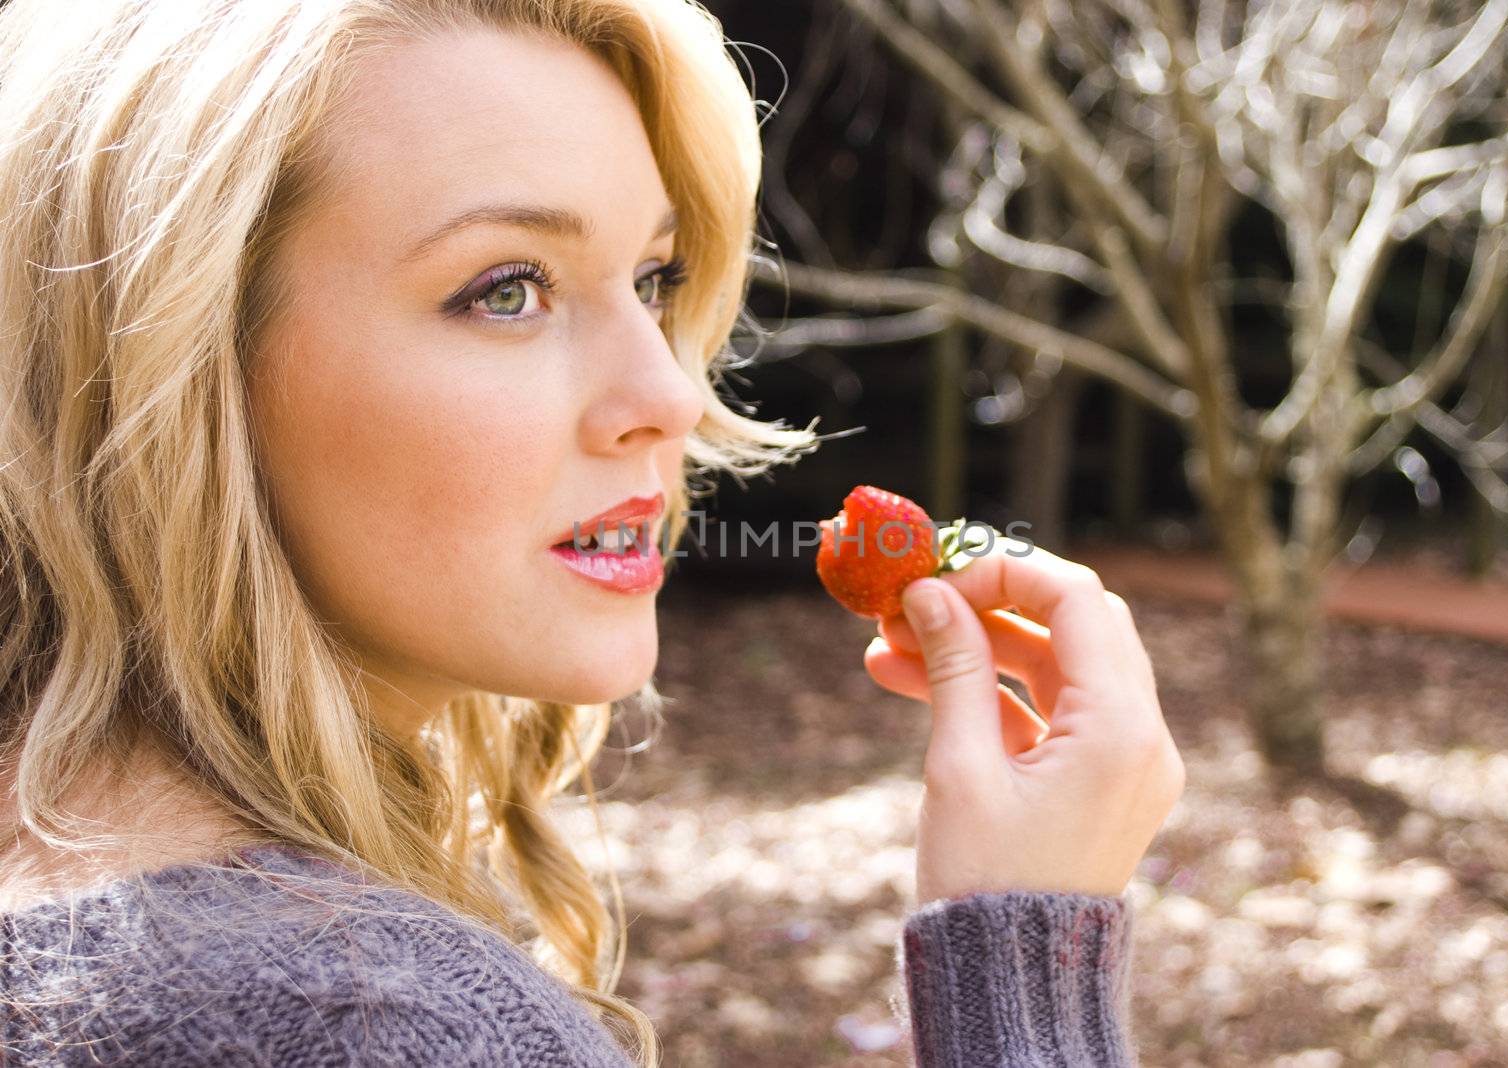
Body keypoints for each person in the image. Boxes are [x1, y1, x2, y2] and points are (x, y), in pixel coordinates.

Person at [0, 0, 1186, 1064]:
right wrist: (1023, 969)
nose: (670, 397)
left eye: (656, 279)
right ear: (168, 371)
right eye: (507, 288)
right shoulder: (371, 1019)